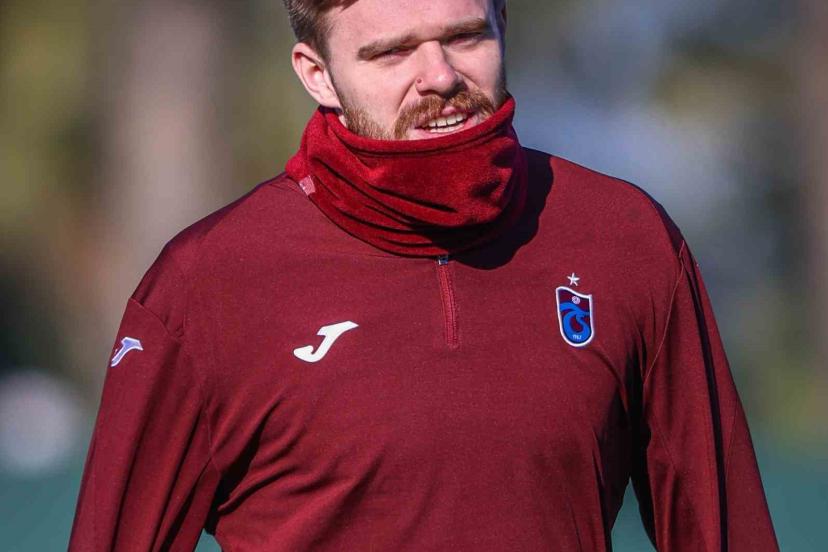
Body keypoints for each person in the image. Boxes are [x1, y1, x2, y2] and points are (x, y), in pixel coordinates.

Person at [69, 0, 780, 550]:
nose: (440, 76)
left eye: (466, 37)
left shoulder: (625, 240)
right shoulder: (206, 285)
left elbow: (724, 530)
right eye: (392, 52)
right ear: (317, 73)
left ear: (503, 27)